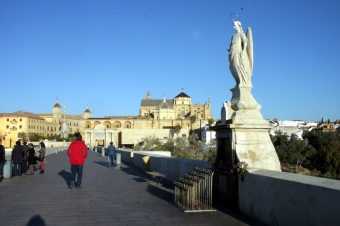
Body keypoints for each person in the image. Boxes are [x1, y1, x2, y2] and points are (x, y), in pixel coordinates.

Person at [228, 17, 253, 87]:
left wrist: (244, 50)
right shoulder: (233, 36)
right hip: (232, 53)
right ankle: (238, 81)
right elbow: (232, 44)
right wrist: (229, 47)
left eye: (234, 25)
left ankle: (242, 81)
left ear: (239, 26)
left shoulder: (241, 34)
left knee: (237, 65)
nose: (234, 27)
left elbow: (245, 42)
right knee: (233, 67)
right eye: (233, 25)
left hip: (238, 52)